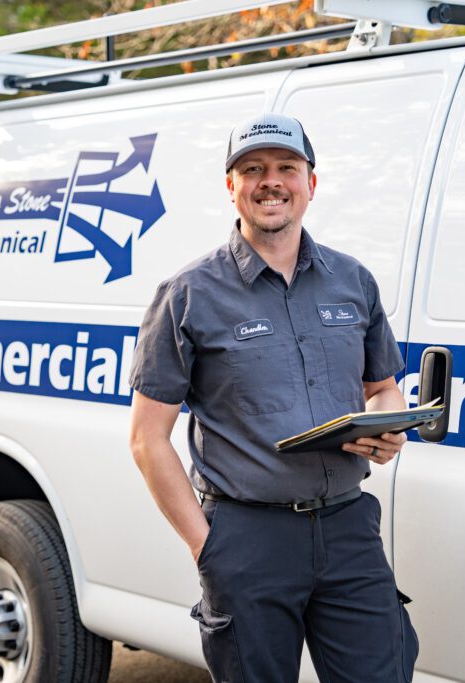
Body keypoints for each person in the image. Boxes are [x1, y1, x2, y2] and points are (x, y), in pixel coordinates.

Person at [128, 112, 417, 683]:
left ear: (312, 183)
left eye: (288, 167)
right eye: (253, 169)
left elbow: (383, 389)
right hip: (247, 538)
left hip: (348, 531)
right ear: (231, 186)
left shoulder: (352, 281)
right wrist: (207, 549)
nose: (271, 181)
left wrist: (387, 430)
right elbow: (146, 439)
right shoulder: (188, 294)